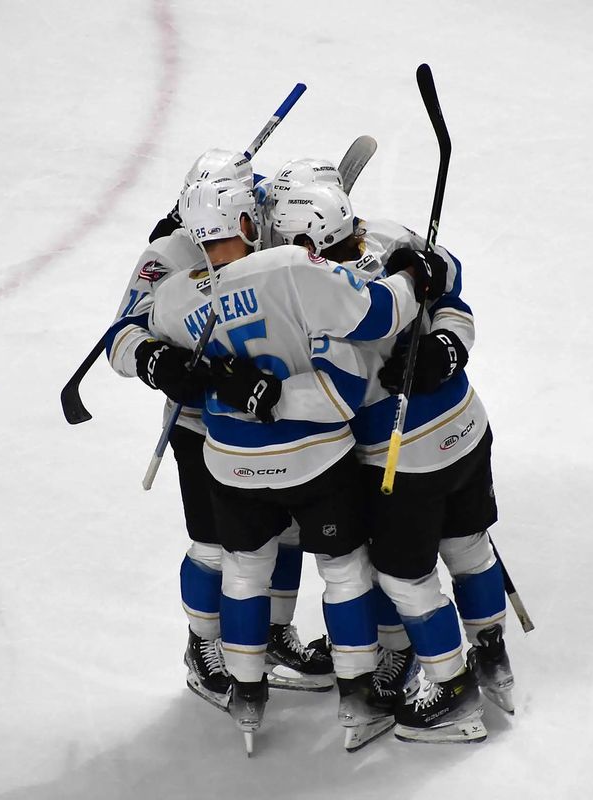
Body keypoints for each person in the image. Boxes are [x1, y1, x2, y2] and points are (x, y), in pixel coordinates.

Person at [146, 176, 445, 753]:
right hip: (315, 460)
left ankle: (246, 698)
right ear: (246, 225)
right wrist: (414, 274)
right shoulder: (291, 266)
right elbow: (377, 316)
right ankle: (359, 701)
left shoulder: (177, 293)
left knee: (239, 567)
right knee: (345, 570)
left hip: (229, 462)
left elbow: (135, 332)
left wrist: (174, 366)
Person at [270, 180, 515, 745]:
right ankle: (493, 656)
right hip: (468, 428)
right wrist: (448, 345)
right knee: (469, 546)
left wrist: (249, 394)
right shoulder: (392, 236)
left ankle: (452, 689)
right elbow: (450, 284)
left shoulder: (318, 298)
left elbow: (339, 397)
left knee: (403, 577)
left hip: (406, 461)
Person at [102, 150, 332, 711]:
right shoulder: (166, 255)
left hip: (269, 423)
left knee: (284, 534)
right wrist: (160, 362)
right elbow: (122, 336)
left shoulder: (270, 241)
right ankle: (202, 648)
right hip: (199, 427)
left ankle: (273, 634)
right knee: (212, 545)